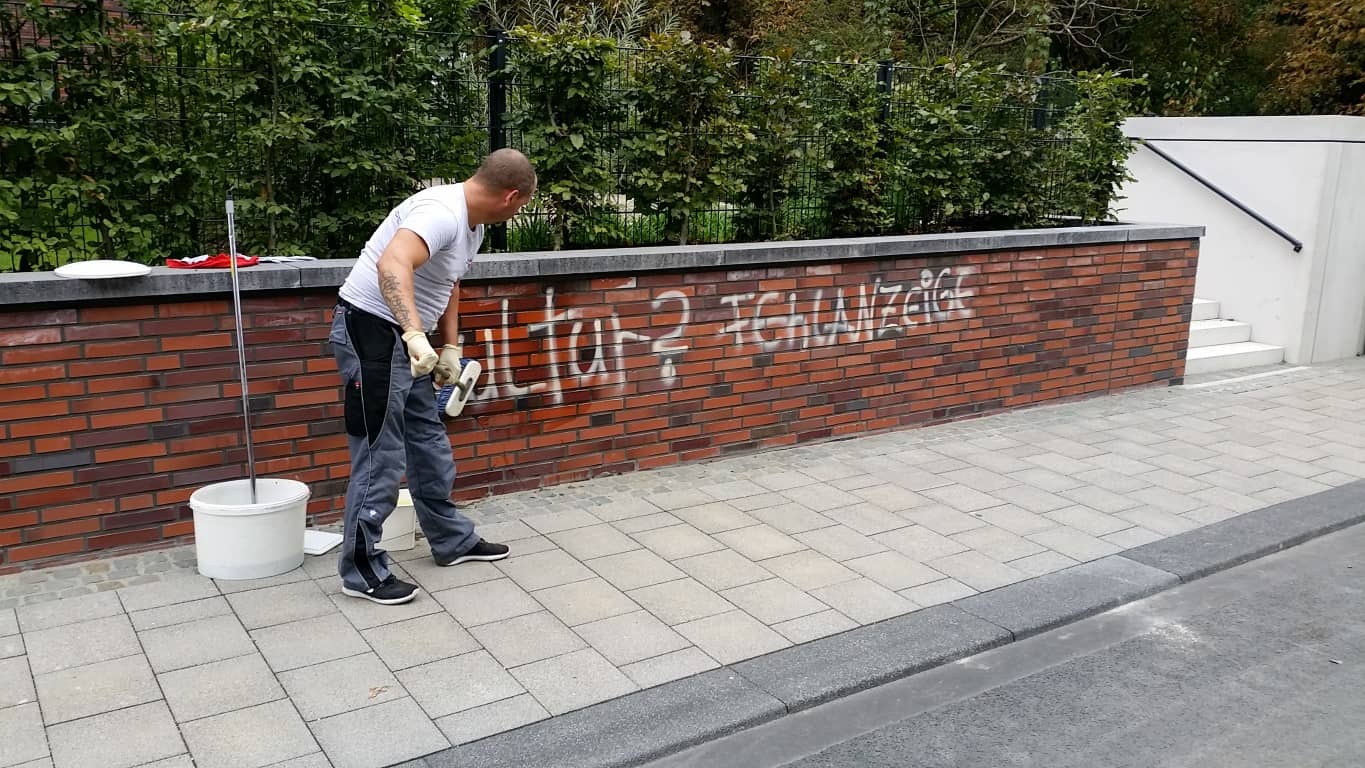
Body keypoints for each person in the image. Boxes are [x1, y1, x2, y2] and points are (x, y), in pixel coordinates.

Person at [329, 148, 536, 605]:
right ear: (511, 196)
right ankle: (360, 572)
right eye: (521, 206)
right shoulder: (440, 212)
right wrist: (413, 335)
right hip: (372, 331)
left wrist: (450, 346)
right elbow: (391, 264)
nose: (516, 213)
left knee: (427, 439)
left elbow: (449, 282)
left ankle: (451, 540)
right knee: (380, 452)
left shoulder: (471, 225)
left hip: (406, 337)